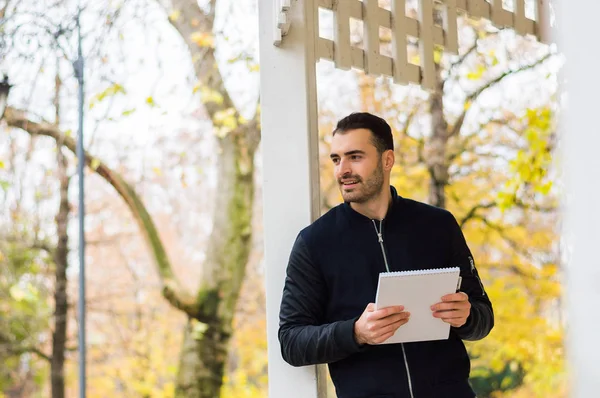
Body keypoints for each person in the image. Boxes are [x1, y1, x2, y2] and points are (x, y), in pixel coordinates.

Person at [278, 112, 494, 398]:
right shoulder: (315, 242)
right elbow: (291, 341)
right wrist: (355, 332)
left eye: (355, 157)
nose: (342, 170)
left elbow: (483, 317)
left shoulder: (438, 225)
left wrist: (466, 316)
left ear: (387, 160)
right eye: (336, 159)